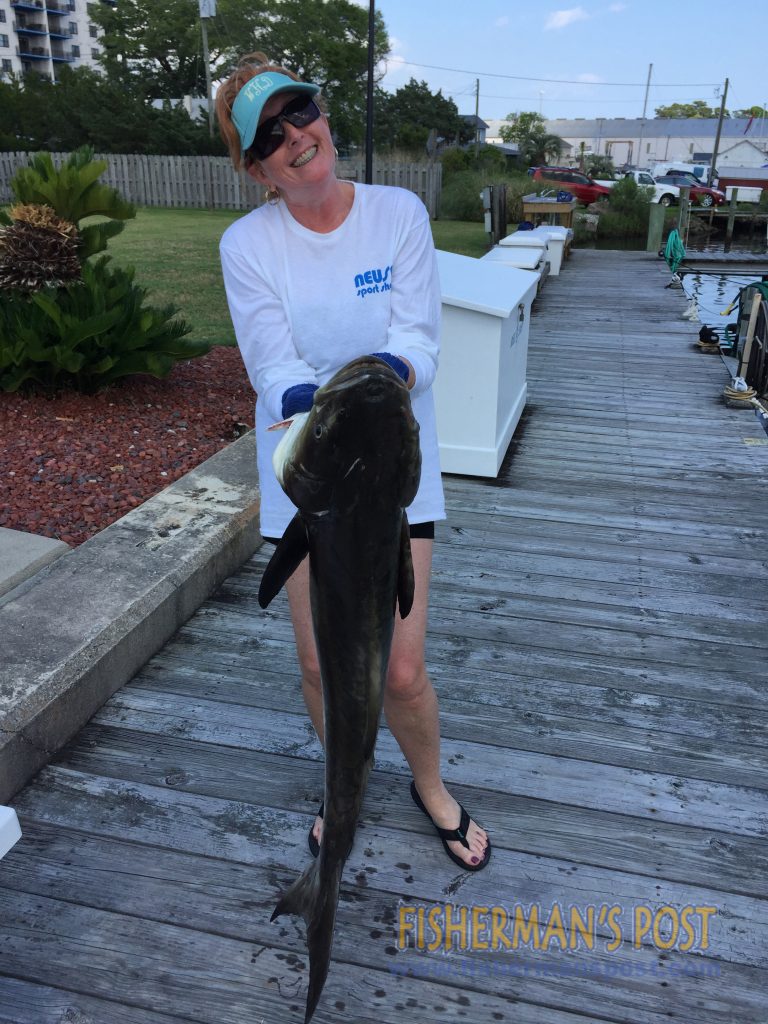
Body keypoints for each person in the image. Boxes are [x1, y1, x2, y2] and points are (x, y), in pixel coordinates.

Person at [216, 53, 490, 871]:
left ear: (322, 114)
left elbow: (417, 342)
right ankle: (347, 785)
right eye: (273, 134)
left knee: (400, 669)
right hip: (309, 477)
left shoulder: (398, 213)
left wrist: (383, 384)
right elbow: (273, 365)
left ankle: (430, 783)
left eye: (302, 111)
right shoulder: (247, 244)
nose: (298, 135)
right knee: (318, 661)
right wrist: (321, 409)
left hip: (399, 473)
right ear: (257, 167)